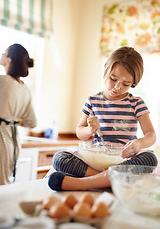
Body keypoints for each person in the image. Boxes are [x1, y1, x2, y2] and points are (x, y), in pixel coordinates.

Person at [48, 46, 158, 191]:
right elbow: (79, 132)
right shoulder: (92, 100)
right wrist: (90, 129)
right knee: (60, 158)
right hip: (95, 159)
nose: (117, 87)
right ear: (105, 70)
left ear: (134, 83)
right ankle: (109, 180)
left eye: (126, 84)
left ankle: (84, 183)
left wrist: (139, 144)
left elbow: (151, 135)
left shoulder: (136, 103)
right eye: (113, 79)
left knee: (150, 159)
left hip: (123, 160)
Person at [0, 43, 37, 185]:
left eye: (4, 52)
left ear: (9, 60)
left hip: (0, 139)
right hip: (13, 142)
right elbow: (32, 123)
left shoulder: (2, 82)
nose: (2, 54)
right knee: (5, 184)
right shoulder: (25, 89)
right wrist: (13, 120)